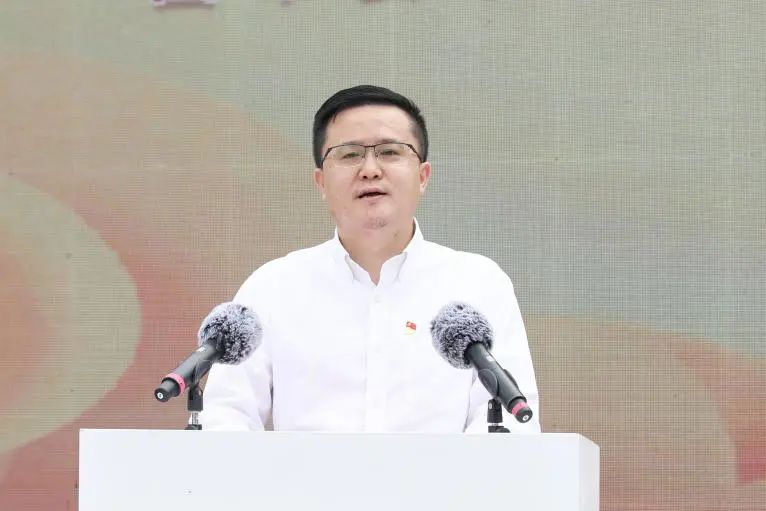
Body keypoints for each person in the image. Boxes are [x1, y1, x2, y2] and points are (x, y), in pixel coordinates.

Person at [200, 85, 540, 433]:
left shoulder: (478, 284)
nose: (370, 170)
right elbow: (225, 416)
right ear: (321, 181)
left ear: (423, 176)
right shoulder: (273, 287)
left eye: (390, 152)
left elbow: (512, 423)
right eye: (349, 155)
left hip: (444, 472)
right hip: (302, 472)